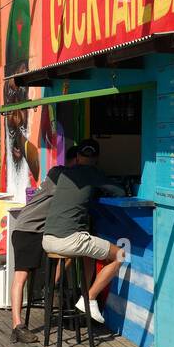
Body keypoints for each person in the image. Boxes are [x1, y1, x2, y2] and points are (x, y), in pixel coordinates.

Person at [41, 139, 125, 327]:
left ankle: (80, 295)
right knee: (120, 255)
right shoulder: (94, 174)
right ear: (96, 158)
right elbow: (119, 191)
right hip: (68, 239)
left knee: (88, 255)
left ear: (78, 157)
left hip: (48, 239)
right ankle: (89, 299)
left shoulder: (65, 174)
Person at [8, 154, 71, 344]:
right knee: (21, 277)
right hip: (27, 231)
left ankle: (48, 287)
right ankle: (17, 326)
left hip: (42, 233)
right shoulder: (58, 176)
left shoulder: (64, 180)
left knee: (68, 254)